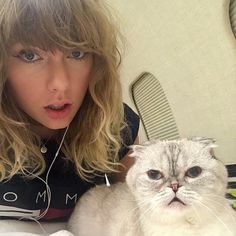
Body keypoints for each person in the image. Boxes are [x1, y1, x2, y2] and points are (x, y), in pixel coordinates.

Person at [0, 0, 139, 223]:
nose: (61, 83)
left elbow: (140, 214)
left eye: (76, 53)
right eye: (30, 55)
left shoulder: (116, 125)